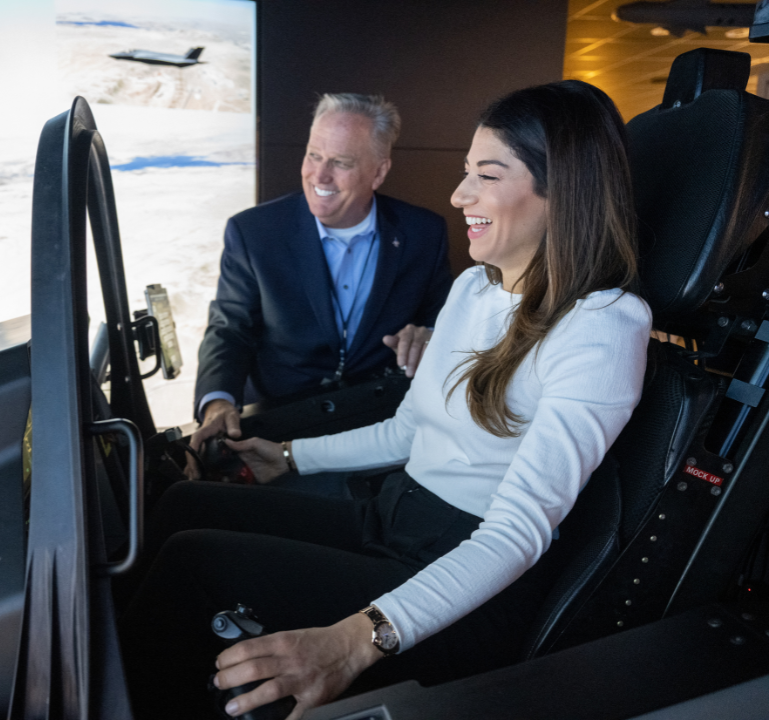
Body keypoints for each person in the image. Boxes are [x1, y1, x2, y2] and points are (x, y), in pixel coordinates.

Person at [119, 79, 650, 720]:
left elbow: (516, 535)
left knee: (191, 565)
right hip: (397, 519)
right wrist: (288, 456)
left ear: (562, 189)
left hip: (470, 574)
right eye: (464, 174)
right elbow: (407, 430)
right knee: (181, 503)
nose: (459, 196)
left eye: (485, 175)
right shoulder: (474, 290)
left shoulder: (604, 325)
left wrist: (353, 641)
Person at [188, 93, 453, 484]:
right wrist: (217, 402)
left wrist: (430, 335)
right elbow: (230, 329)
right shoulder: (254, 232)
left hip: (374, 435)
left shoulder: (424, 233)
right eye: (314, 155)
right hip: (276, 426)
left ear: (379, 172)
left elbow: (443, 321)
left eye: (341, 163)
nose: (319, 175)